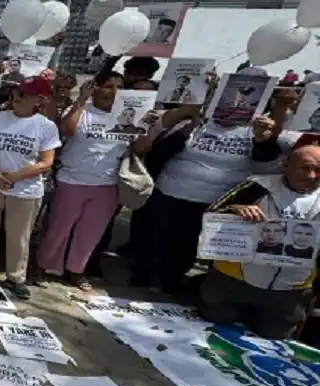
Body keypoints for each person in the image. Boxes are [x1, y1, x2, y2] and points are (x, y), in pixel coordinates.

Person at [129, 100, 285, 292]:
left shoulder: (254, 131)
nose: (229, 109)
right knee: (155, 236)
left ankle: (172, 278)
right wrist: (188, 122)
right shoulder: (196, 122)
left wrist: (263, 138)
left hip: (213, 202)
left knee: (189, 244)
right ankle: (142, 272)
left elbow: (268, 164)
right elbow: (158, 139)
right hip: (169, 192)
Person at [36, 74, 147, 290]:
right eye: (108, 86)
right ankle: (43, 266)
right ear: (95, 88)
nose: (113, 91)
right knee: (59, 228)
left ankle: (76, 270)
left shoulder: (130, 117)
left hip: (107, 185)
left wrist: (144, 126)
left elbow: (142, 148)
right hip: (71, 180)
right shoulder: (83, 111)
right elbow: (66, 131)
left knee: (91, 233)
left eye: (119, 87)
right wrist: (80, 100)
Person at [198, 144, 320, 339]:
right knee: (211, 327)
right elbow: (211, 214)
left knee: (274, 341)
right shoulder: (257, 186)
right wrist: (236, 210)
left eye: (318, 170)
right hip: (234, 280)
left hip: (290, 289)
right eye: (305, 168)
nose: (312, 176)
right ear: (285, 165)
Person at [0, 76, 61, 299]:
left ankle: (16, 277)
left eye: (25, 94)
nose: (17, 97)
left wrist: (14, 177)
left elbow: (46, 161)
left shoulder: (46, 126)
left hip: (25, 191)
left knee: (19, 236)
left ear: (39, 99)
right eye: (18, 92)